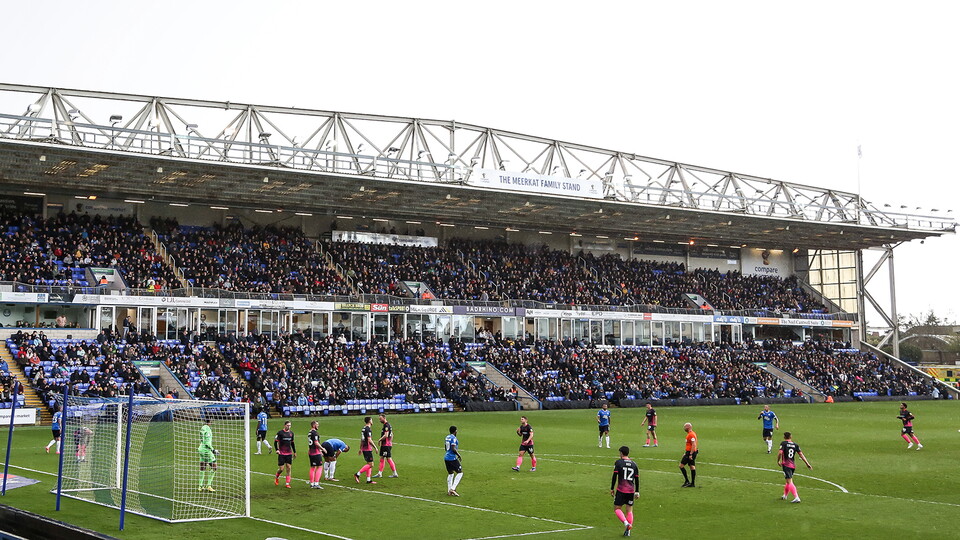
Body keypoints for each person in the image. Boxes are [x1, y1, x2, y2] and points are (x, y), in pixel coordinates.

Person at [611, 445, 640, 537]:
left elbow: (614, 476)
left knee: (617, 508)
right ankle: (628, 531)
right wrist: (637, 491)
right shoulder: (634, 464)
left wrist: (612, 488)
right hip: (631, 490)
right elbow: (637, 479)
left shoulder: (618, 462)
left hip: (621, 490)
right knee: (629, 510)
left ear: (621, 453)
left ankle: (626, 523)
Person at [777, 431, 812, 503]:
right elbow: (801, 455)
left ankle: (796, 497)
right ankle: (785, 495)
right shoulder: (795, 445)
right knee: (787, 480)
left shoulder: (783, 443)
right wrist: (807, 464)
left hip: (786, 465)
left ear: (784, 437)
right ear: (791, 437)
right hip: (792, 465)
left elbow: (780, 452)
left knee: (789, 481)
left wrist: (778, 460)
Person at [354, 416, 378, 484]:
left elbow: (362, 439)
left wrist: (360, 448)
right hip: (367, 448)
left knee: (368, 463)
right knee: (371, 464)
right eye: (372, 420)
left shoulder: (363, 429)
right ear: (370, 421)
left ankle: (368, 479)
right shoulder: (368, 429)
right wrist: (375, 447)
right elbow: (369, 440)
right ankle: (357, 474)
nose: (372, 421)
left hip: (365, 448)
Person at [373, 414, 398, 478]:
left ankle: (394, 473)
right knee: (382, 458)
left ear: (384, 418)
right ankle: (380, 473)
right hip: (387, 444)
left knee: (388, 458)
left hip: (385, 445)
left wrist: (379, 440)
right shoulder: (388, 425)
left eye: (381, 419)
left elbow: (386, 435)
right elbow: (392, 434)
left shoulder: (386, 425)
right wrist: (390, 441)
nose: (380, 420)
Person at [274, 420, 296, 488]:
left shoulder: (291, 433)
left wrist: (294, 452)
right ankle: (277, 476)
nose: (289, 427)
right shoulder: (280, 433)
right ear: (284, 425)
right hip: (282, 453)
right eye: (287, 425)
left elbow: (292, 443)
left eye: (290, 425)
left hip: (289, 453)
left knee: (289, 468)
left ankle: (287, 483)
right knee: (281, 469)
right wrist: (277, 450)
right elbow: (275, 442)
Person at [198, 417, 218, 492]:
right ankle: (208, 485)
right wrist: (213, 450)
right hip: (206, 450)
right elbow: (207, 442)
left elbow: (202, 440)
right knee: (214, 466)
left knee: (203, 466)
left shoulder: (202, 428)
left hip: (201, 449)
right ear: (210, 421)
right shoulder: (208, 430)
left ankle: (200, 486)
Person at [444, 425, 463, 496]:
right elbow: (453, 448)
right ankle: (452, 488)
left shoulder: (447, 437)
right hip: (452, 458)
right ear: (455, 431)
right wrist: (458, 455)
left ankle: (449, 491)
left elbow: (446, 448)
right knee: (460, 473)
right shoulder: (454, 438)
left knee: (451, 473)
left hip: (446, 457)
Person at [679, 422, 697, 488]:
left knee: (681, 466)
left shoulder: (691, 435)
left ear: (688, 427)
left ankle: (687, 481)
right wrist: (686, 452)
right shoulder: (690, 434)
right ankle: (692, 483)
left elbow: (694, 444)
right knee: (692, 466)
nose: (684, 428)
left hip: (690, 453)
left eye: (685, 427)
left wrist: (690, 454)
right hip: (690, 452)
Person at [306, 420, 324, 489]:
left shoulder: (309, 433)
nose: (318, 426)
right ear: (314, 425)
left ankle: (312, 483)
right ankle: (316, 483)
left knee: (312, 467)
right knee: (319, 466)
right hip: (316, 453)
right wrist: (322, 449)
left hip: (311, 452)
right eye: (317, 425)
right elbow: (316, 443)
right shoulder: (315, 433)